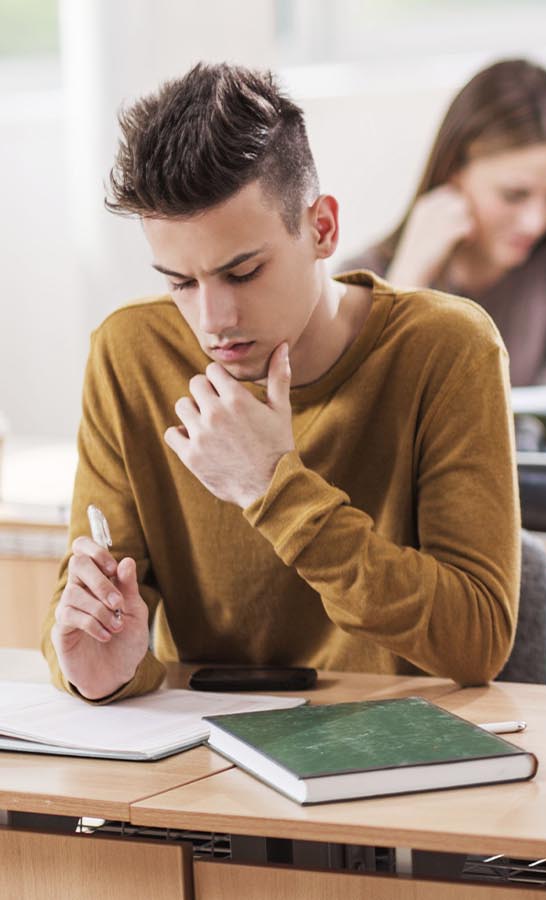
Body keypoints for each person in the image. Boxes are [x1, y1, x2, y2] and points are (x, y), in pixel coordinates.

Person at [45, 64, 518, 703]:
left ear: (322, 228)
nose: (213, 320)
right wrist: (102, 669)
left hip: (393, 746)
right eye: (180, 282)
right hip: (200, 744)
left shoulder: (446, 348)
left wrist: (272, 487)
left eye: (243, 273)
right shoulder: (129, 352)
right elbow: (85, 608)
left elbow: (478, 641)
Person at [343, 59, 546, 387]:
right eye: (514, 195)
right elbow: (357, 413)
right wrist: (407, 280)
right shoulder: (359, 282)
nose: (535, 223)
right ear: (454, 172)